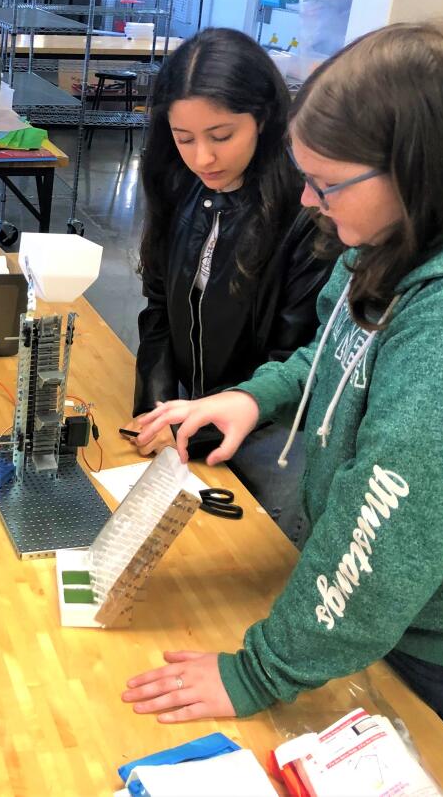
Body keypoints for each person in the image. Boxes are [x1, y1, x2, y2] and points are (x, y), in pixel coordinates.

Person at [122, 20, 443, 794]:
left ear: (414, 166)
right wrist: (255, 395)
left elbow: (395, 510)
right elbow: (338, 346)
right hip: (393, 605)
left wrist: (260, 670)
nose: (311, 205)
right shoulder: (420, 216)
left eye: (327, 184)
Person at [122, 28, 332, 545]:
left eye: (221, 136)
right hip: (194, 414)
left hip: (270, 432)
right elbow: (158, 310)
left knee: (253, 557)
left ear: (263, 118)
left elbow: (297, 360)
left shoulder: (306, 213)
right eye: (183, 137)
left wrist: (196, 425)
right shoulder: (179, 186)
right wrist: (157, 406)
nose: (202, 159)